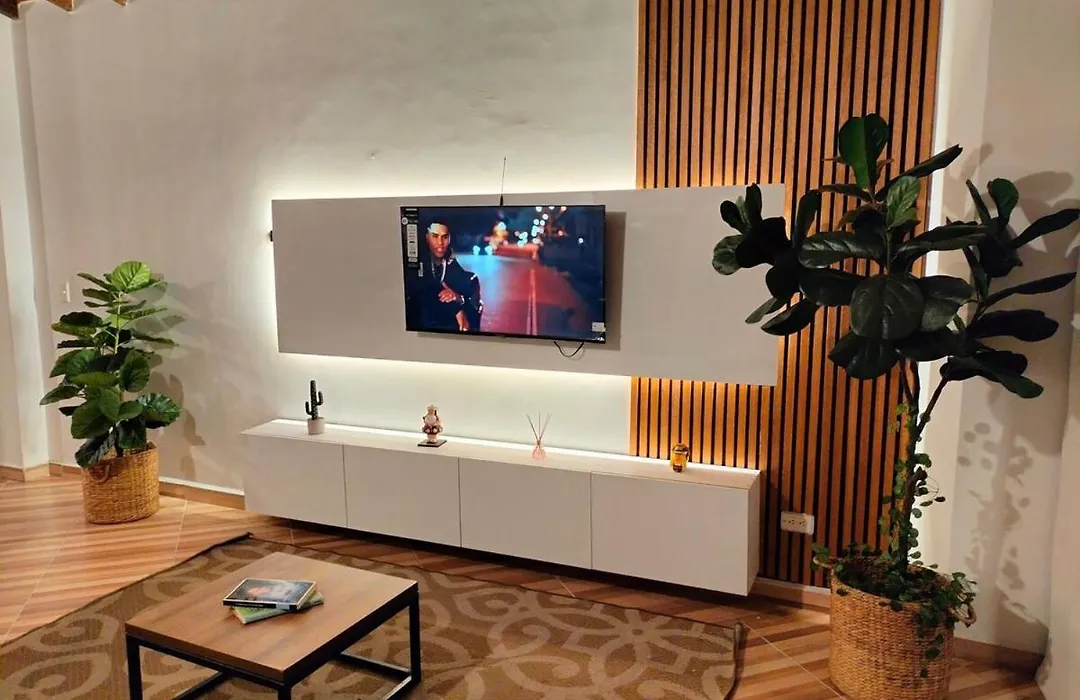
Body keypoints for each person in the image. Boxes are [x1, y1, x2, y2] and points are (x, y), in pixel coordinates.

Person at [414, 222, 483, 332]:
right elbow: (424, 289)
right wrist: (456, 309)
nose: (440, 243)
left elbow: (462, 279)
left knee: (472, 286)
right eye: (435, 236)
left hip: (441, 309)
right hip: (420, 316)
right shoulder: (418, 258)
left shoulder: (448, 257)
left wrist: (458, 297)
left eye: (445, 237)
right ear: (427, 237)